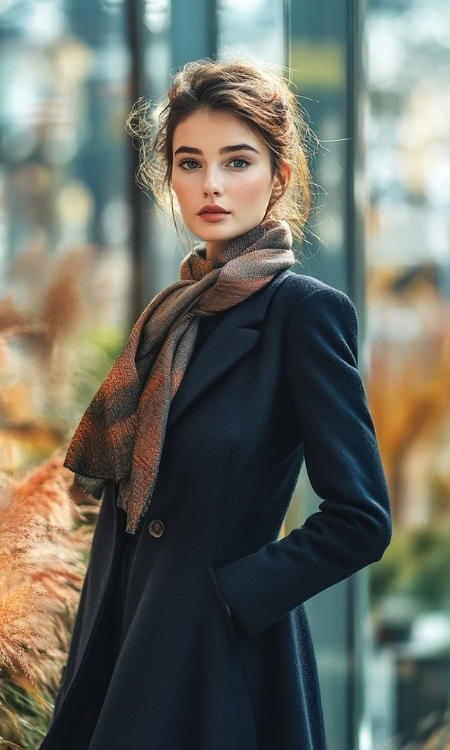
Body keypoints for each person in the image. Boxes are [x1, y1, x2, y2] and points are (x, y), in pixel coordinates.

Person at [39, 59, 391, 750]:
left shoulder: (305, 315)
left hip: (218, 659)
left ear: (279, 176)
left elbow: (362, 518)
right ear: (168, 176)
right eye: (190, 162)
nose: (212, 186)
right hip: (122, 631)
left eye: (237, 162)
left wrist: (232, 595)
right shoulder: (167, 316)